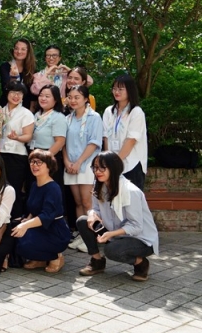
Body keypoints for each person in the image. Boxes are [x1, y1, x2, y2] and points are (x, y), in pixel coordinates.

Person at [76, 151, 159, 281]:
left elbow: (136, 226)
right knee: (83, 221)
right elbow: (95, 209)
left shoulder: (130, 191)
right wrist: (92, 214)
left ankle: (140, 263)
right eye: (95, 167)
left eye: (103, 167)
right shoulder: (100, 185)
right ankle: (97, 262)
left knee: (111, 250)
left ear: (114, 168)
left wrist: (111, 234)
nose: (98, 171)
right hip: (115, 233)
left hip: (140, 240)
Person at [12, 149, 71, 273]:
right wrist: (27, 219)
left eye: (39, 162)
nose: (34, 165)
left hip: (55, 232)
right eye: (32, 162)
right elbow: (34, 208)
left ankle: (56, 257)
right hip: (40, 228)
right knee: (13, 232)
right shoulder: (34, 185)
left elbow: (47, 215)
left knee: (23, 239)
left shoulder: (53, 188)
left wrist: (25, 225)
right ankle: (41, 259)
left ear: (49, 166)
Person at [64, 85, 103, 253]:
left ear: (86, 99)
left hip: (87, 165)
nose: (73, 100)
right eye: (70, 97)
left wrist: (79, 162)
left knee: (88, 202)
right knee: (78, 202)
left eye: (77, 97)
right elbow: (63, 142)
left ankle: (93, 237)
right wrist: (67, 162)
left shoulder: (95, 117)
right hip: (71, 166)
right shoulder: (68, 119)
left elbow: (94, 142)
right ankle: (82, 235)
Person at [102, 74, 148, 191]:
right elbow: (106, 137)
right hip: (112, 165)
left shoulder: (136, 112)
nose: (117, 91)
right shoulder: (109, 111)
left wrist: (115, 162)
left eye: (121, 89)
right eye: (114, 88)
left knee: (132, 205)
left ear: (130, 90)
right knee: (112, 202)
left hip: (131, 165)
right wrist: (109, 160)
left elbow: (131, 141)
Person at [0, 82, 35, 219]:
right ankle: (1, 218)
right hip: (0, 153)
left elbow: (28, 136)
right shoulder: (0, 111)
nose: (16, 96)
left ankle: (16, 219)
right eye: (13, 92)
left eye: (19, 93)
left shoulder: (26, 113)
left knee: (14, 188)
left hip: (17, 155)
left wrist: (17, 137)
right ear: (7, 93)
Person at [29, 85, 67, 190]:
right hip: (34, 156)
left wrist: (44, 159)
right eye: (41, 95)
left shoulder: (58, 117)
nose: (43, 98)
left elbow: (60, 142)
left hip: (49, 158)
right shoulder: (37, 115)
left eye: (47, 96)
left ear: (55, 99)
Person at [0, 38, 36, 110]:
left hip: (25, 109)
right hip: (7, 107)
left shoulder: (31, 70)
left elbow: (32, 95)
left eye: (23, 49)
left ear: (28, 51)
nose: (19, 51)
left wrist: (31, 112)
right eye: (16, 48)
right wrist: (13, 77)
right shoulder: (5, 67)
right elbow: (6, 89)